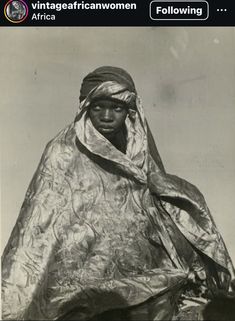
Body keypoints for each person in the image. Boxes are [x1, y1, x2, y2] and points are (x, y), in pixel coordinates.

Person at [2, 66, 235, 320]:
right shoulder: (61, 152)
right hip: (80, 266)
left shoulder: (137, 149)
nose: (106, 116)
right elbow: (37, 227)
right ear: (85, 108)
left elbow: (146, 195)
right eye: (98, 107)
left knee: (186, 197)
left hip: (141, 262)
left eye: (117, 108)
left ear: (129, 111)